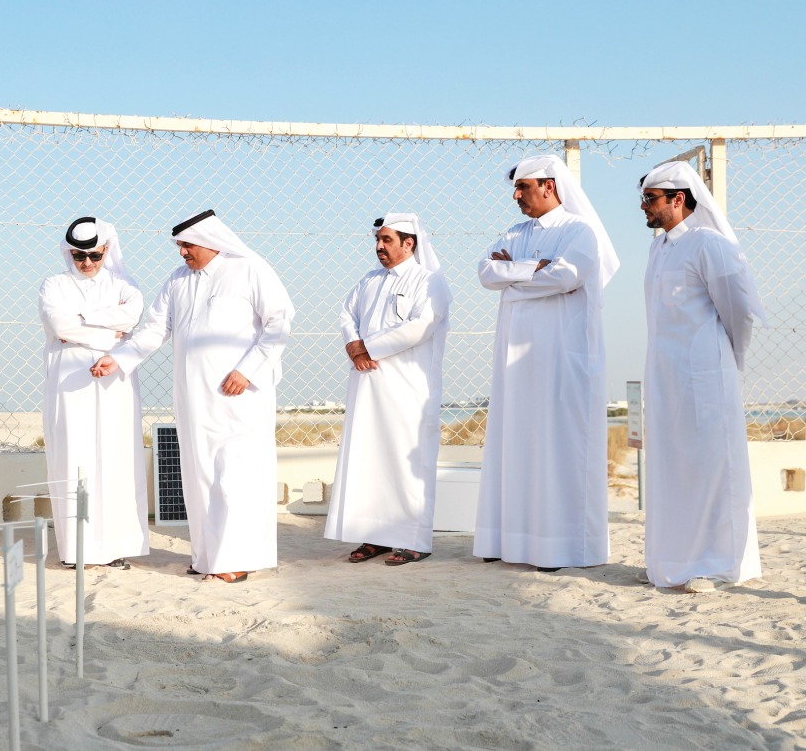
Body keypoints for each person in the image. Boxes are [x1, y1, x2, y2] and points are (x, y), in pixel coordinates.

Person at [90, 209, 293, 583]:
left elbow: (279, 323)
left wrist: (247, 370)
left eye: (187, 245)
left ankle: (236, 559)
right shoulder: (178, 280)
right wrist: (118, 359)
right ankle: (207, 557)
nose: (182, 253)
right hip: (193, 398)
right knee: (199, 476)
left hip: (239, 395)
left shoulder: (250, 269)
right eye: (179, 246)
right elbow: (154, 329)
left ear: (211, 242)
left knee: (235, 474)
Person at [474, 154, 620, 572]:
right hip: (515, 359)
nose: (517, 196)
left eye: (523, 188)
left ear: (550, 186)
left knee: (557, 447)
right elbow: (485, 272)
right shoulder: (515, 230)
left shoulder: (580, 230)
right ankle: (508, 540)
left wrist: (512, 276)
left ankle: (559, 547)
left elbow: (566, 276)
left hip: (559, 356)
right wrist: (529, 271)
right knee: (514, 442)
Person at [639, 160, 764, 592]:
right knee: (676, 466)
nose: (643, 208)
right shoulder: (660, 248)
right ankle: (675, 558)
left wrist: (725, 358)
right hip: (666, 375)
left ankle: (717, 564)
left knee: (712, 466)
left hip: (707, 372)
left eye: (650, 199)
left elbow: (740, 310)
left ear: (679, 199)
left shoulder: (710, 243)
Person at [324, 213, 451, 566]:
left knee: (407, 460)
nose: (379, 247)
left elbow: (420, 327)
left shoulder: (430, 281)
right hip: (367, 384)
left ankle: (413, 540)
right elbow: (346, 314)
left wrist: (368, 347)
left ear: (409, 243)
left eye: (387, 240)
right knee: (370, 458)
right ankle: (376, 537)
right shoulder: (369, 280)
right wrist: (353, 345)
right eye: (377, 240)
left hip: (408, 388)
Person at [39, 217, 149, 569]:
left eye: (94, 256)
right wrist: (108, 333)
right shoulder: (54, 284)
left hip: (113, 382)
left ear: (106, 250)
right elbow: (59, 325)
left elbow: (131, 318)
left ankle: (115, 548)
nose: (86, 263)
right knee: (75, 457)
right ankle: (77, 551)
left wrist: (82, 324)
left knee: (116, 457)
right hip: (70, 386)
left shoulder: (124, 284)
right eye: (78, 256)